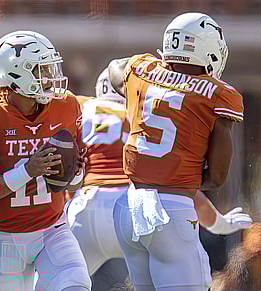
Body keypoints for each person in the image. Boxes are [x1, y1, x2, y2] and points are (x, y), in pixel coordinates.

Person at [108, 12, 252, 291]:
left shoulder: (142, 68)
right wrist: (180, 171)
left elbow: (116, 69)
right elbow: (218, 176)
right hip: (172, 212)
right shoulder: (218, 94)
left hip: (128, 207)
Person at [0, 30, 91, 290]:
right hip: (5, 238)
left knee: (76, 284)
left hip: (53, 229)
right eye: (42, 70)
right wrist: (28, 170)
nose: (51, 78)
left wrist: (75, 173)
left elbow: (72, 185)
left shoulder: (66, 106)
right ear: (17, 74)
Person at [66, 67, 130, 290]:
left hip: (85, 203)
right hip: (129, 208)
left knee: (60, 281)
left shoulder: (81, 106)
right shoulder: (141, 112)